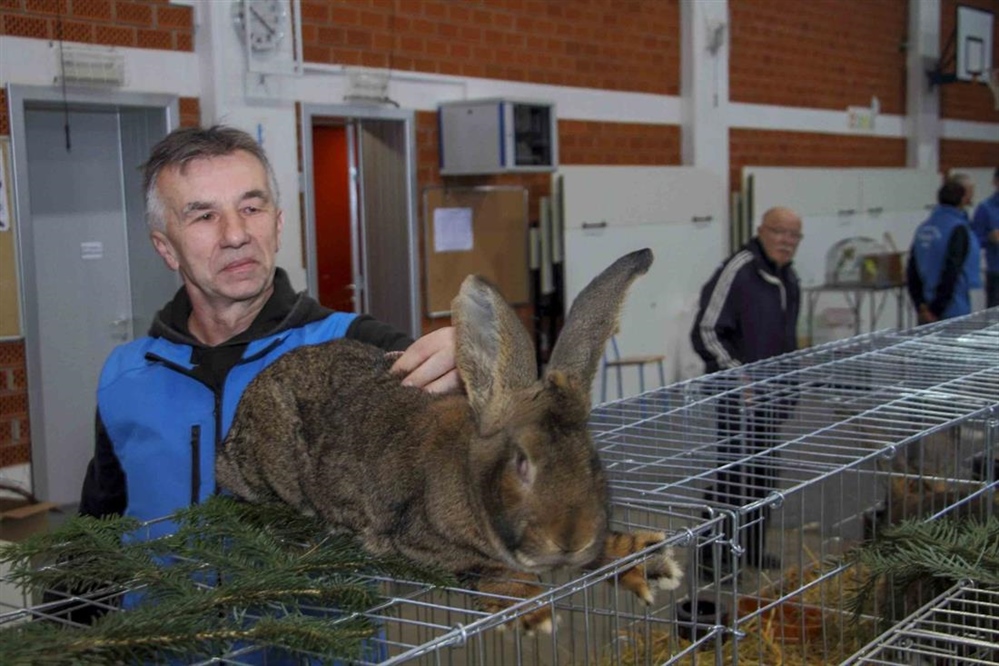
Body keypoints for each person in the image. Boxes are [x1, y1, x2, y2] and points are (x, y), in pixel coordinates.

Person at [66, 127, 459, 659]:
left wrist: (472, 361)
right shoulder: (125, 376)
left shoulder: (353, 347)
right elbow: (98, 534)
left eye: (251, 207)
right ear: (166, 247)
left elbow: (477, 440)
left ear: (277, 223)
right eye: (203, 216)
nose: (234, 234)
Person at [690, 207, 803, 578]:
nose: (786, 241)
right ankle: (712, 556)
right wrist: (741, 379)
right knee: (733, 476)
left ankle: (749, 550)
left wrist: (791, 385)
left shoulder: (789, 279)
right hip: (739, 398)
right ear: (761, 231)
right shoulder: (740, 270)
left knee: (764, 475)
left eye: (794, 235)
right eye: (779, 232)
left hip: (773, 400)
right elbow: (706, 331)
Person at [907, 174, 981, 324]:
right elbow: (951, 270)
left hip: (925, 308)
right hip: (952, 308)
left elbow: (912, 270)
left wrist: (921, 306)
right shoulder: (957, 228)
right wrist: (936, 310)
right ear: (962, 199)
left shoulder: (924, 227)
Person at [971, 167, 999, 309]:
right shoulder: (985, 208)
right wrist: (990, 238)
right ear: (995, 182)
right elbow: (974, 241)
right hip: (996, 273)